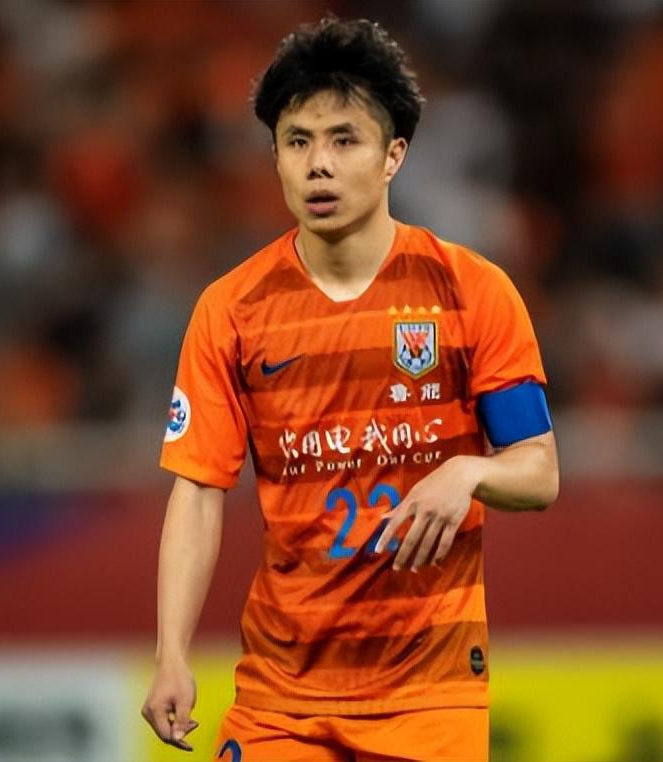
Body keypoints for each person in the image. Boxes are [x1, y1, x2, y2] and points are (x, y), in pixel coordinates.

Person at [141, 16, 559, 761]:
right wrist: (172, 651)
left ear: (393, 154)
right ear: (274, 156)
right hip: (282, 696)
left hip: (430, 696)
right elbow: (198, 490)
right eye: (297, 142)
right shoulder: (231, 311)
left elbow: (539, 471)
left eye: (344, 140)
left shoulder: (473, 292)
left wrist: (468, 471)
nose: (319, 166)